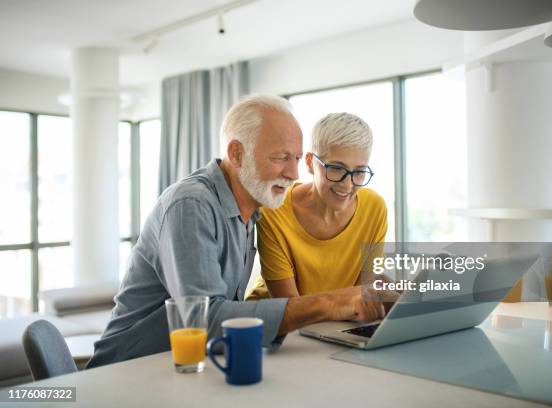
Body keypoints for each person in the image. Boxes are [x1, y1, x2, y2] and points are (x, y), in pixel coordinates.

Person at [87, 95, 384, 368]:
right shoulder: (191, 205)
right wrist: (330, 302)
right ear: (237, 154)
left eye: (295, 159)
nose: (293, 174)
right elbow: (204, 321)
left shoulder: (252, 212)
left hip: (188, 368)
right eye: (280, 158)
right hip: (128, 372)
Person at [247, 112, 387, 299]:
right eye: (336, 168)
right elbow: (289, 308)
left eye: (359, 171)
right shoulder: (274, 209)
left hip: (338, 323)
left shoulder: (374, 208)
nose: (347, 185)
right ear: (310, 163)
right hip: (275, 323)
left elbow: (364, 297)